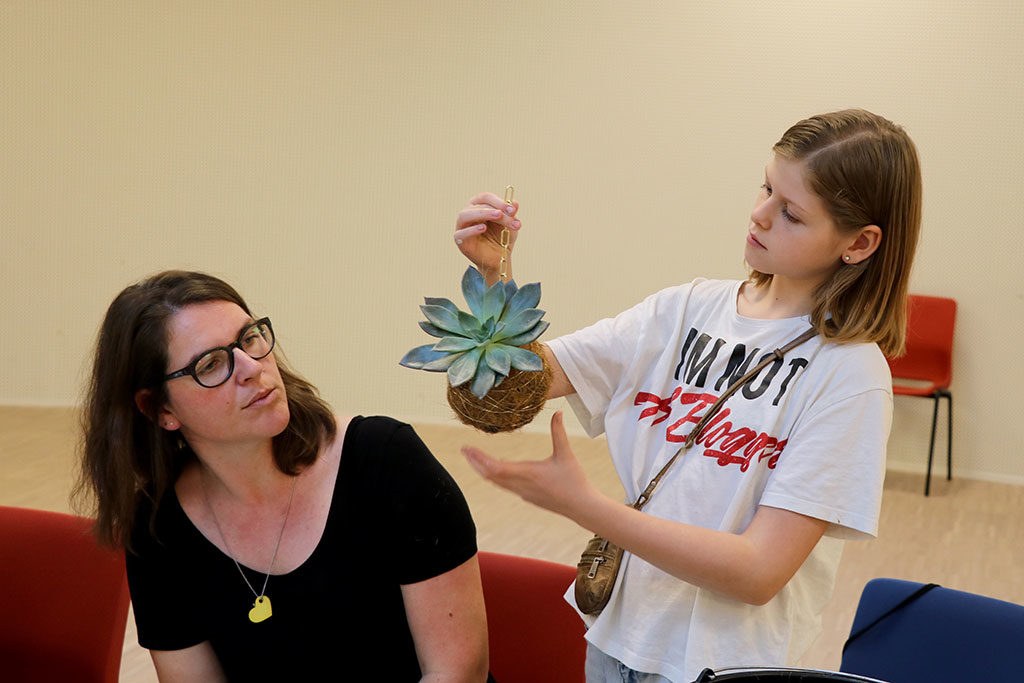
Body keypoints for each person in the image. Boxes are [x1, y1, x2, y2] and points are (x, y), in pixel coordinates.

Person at [453, 109, 921, 682]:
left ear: (859, 242)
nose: (759, 214)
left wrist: (584, 505)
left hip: (723, 668)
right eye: (767, 186)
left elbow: (758, 573)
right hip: (616, 641)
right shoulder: (684, 308)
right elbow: (524, 382)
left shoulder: (849, 376)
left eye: (791, 213)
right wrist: (495, 276)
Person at [74, 270, 490, 682]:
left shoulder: (384, 458)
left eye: (249, 338)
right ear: (159, 409)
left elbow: (458, 672)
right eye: (211, 363)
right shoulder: (156, 527)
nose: (252, 367)